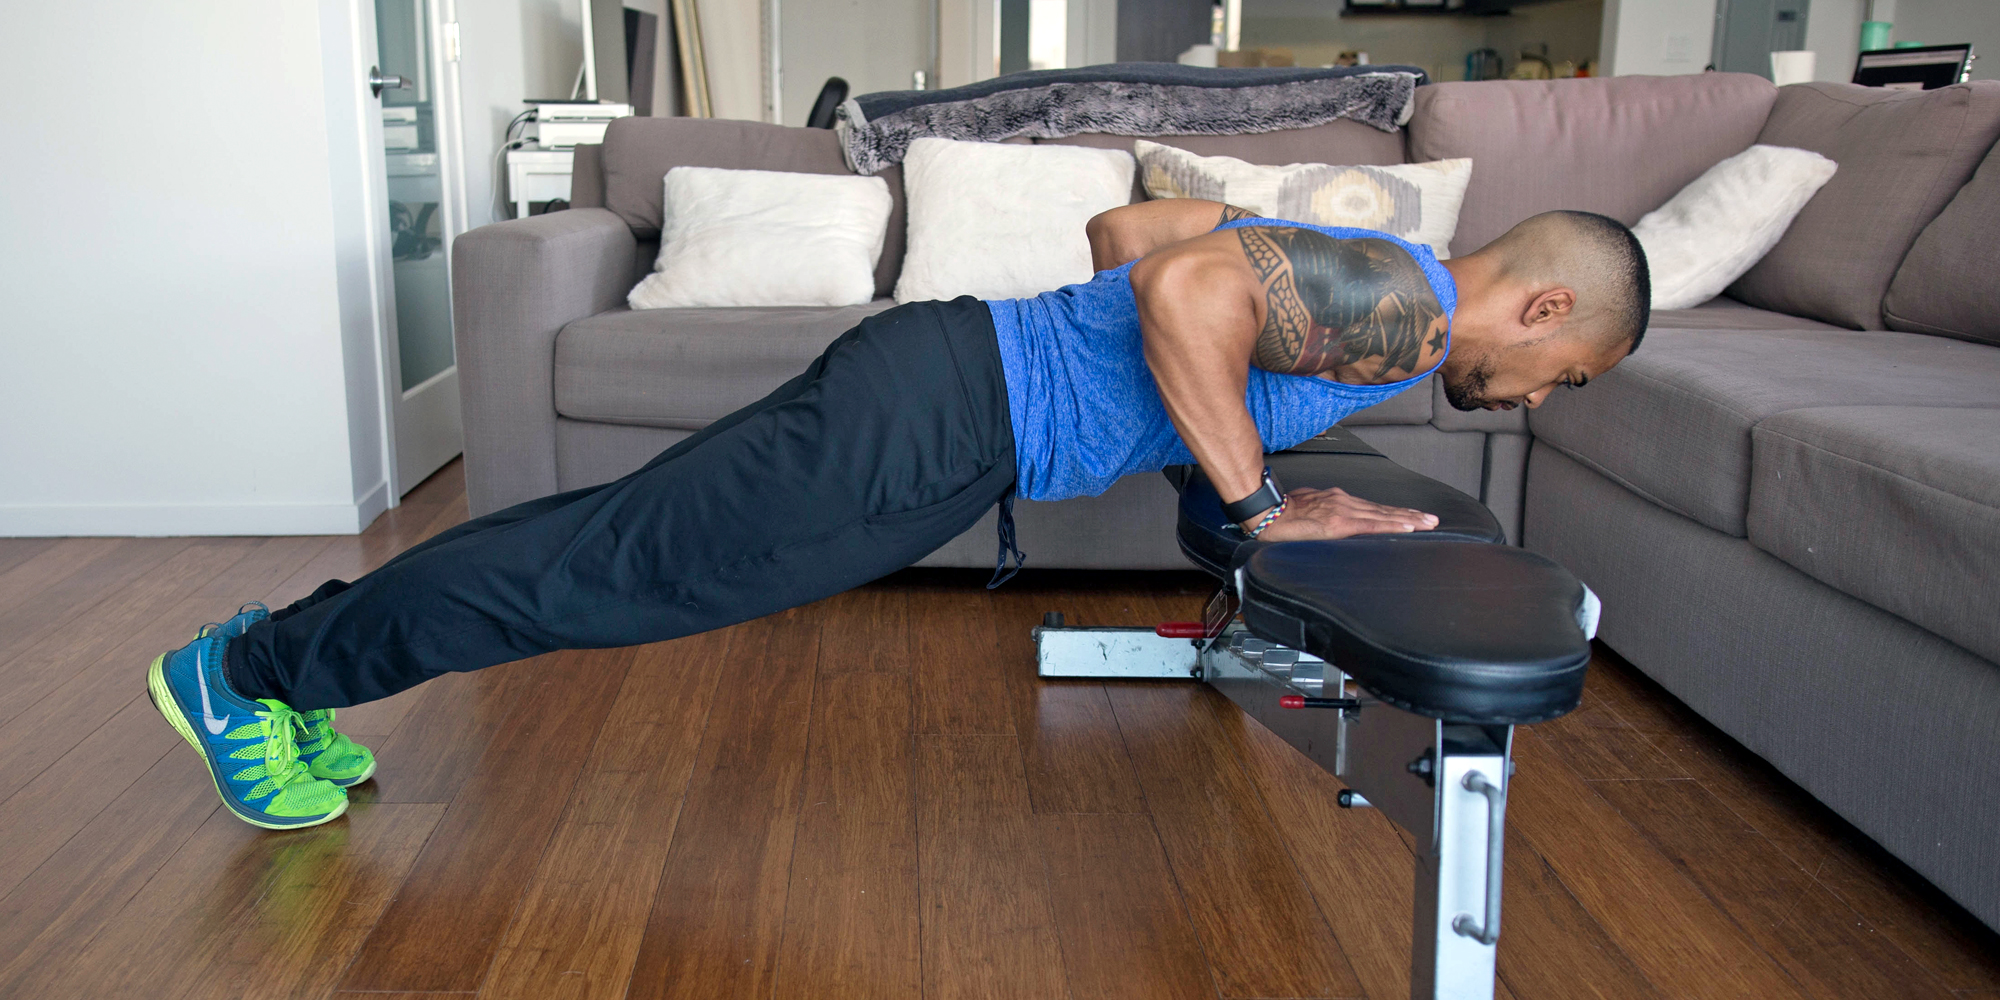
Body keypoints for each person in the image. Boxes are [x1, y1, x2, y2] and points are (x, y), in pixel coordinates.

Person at [146, 201, 1650, 829]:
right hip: (935, 413)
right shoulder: (1414, 311)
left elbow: (1133, 234)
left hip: (939, 410)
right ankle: (253, 673)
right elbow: (1178, 284)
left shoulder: (1378, 275)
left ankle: (287, 662)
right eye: (1560, 372)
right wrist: (1256, 512)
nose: (1534, 399)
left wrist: (1226, 455)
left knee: (605, 557)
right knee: (600, 573)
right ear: (1548, 302)